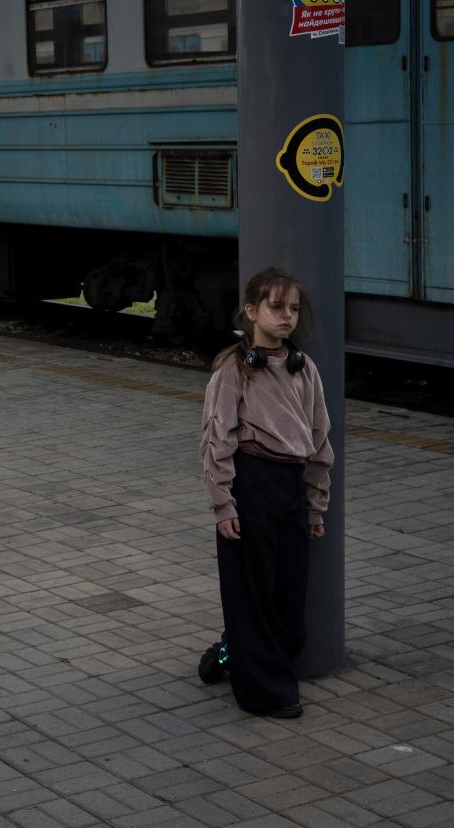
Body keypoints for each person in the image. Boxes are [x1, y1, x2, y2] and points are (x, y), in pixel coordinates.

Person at [199, 267, 334, 718]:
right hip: (251, 482)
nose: (287, 316)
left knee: (289, 598)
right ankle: (266, 693)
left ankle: (229, 653)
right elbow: (216, 440)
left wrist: (315, 506)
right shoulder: (233, 369)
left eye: (294, 308)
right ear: (252, 312)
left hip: (291, 489)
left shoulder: (304, 368)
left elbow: (319, 440)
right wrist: (223, 504)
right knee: (251, 593)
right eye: (277, 307)